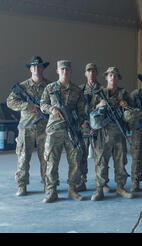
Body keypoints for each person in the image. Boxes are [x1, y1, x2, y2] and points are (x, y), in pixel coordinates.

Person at [40, 60, 87, 203]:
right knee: (51, 162)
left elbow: (81, 112)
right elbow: (43, 104)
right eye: (62, 70)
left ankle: (72, 189)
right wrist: (51, 109)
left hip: (71, 131)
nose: (65, 72)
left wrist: (79, 124)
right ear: (57, 71)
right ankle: (51, 191)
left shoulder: (77, 90)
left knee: (75, 161)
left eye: (67, 70)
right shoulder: (50, 88)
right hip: (54, 130)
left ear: (70, 71)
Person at [7, 56, 50, 196]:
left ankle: (47, 184)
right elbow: (10, 102)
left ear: (43, 68)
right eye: (34, 67)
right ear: (30, 69)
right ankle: (22, 185)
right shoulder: (23, 86)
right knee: (23, 158)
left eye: (39, 67)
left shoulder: (49, 86)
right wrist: (27, 106)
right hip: (26, 127)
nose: (37, 69)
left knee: (46, 157)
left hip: (44, 127)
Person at [89, 67, 134, 201]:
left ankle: (121, 187)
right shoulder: (99, 93)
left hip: (119, 132)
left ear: (118, 78)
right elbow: (89, 111)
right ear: (106, 77)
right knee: (101, 161)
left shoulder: (124, 93)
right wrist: (98, 106)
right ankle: (99, 189)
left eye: (115, 76)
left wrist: (125, 106)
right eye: (110, 76)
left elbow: (132, 111)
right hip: (103, 133)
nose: (113, 78)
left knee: (120, 161)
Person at [76, 63, 103, 192]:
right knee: (81, 156)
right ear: (85, 74)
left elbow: (106, 110)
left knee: (101, 157)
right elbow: (74, 109)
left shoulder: (103, 90)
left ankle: (102, 184)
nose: (91, 74)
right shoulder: (79, 90)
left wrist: (98, 125)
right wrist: (81, 122)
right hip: (84, 128)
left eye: (93, 71)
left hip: (99, 129)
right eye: (89, 71)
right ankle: (81, 182)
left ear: (97, 73)